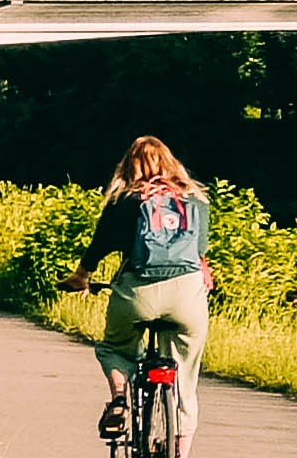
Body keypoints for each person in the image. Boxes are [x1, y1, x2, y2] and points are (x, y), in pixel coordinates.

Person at [61, 138, 215, 441]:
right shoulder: (195, 201)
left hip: (137, 293)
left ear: (128, 166)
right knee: (184, 376)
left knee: (114, 349)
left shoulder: (125, 200)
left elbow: (99, 246)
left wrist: (81, 277)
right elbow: (200, 251)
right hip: (187, 296)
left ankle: (120, 398)